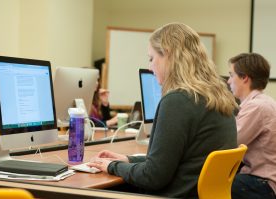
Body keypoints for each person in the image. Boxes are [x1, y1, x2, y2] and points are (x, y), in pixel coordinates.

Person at [87, 22, 238, 198]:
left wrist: (111, 166)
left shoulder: (178, 100)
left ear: (168, 55)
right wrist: (127, 160)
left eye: (151, 59)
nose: (150, 68)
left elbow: (153, 176)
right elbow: (177, 161)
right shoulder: (219, 96)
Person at [228, 53, 276, 199]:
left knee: (202, 184)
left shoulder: (256, 107)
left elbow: (229, 143)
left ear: (245, 78)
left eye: (231, 75)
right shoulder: (264, 101)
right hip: (262, 179)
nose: (229, 81)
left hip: (262, 183)